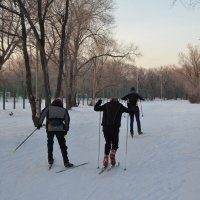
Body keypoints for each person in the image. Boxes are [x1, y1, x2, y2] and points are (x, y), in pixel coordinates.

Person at [94, 97, 131, 167]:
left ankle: (106, 157)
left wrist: (99, 102)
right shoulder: (120, 106)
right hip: (115, 128)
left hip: (105, 127)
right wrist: (128, 103)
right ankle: (113, 152)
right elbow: (129, 110)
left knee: (108, 142)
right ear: (117, 101)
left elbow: (96, 108)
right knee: (115, 142)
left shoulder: (106, 105)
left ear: (110, 100)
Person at [37, 97, 73, 168]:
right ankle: (66, 162)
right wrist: (66, 129)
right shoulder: (64, 110)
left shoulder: (49, 108)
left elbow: (43, 115)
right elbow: (67, 120)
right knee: (63, 146)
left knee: (50, 143)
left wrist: (39, 124)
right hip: (60, 130)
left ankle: (50, 159)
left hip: (50, 129)